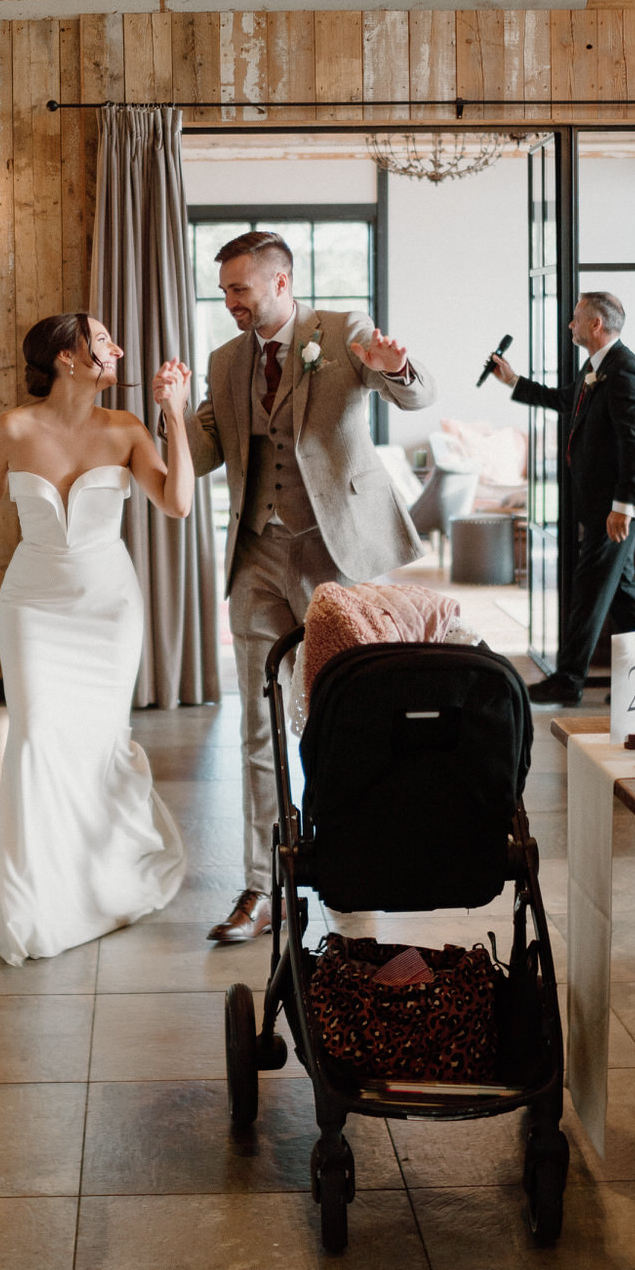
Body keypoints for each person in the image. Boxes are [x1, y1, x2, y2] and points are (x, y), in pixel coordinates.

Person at [161, 229, 437, 945]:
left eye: (239, 290)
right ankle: (264, 887)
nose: (229, 303)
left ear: (280, 283)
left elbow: (415, 395)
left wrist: (399, 369)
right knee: (257, 725)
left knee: (337, 719)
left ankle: (348, 875)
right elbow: (197, 457)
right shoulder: (225, 362)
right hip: (257, 554)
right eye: (223, 290)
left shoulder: (342, 330)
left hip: (333, 551)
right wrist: (171, 408)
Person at [0, 312, 191, 966]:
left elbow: (177, 503)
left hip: (107, 607)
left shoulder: (127, 428)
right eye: (103, 338)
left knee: (97, 742)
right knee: (34, 739)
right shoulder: (13, 428)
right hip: (32, 602)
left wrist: (173, 414)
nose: (116, 346)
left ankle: (100, 878)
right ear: (66, 355)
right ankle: (37, 902)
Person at [490, 290, 635, 707]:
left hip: (615, 507)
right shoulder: (596, 366)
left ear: (596, 325)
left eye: (576, 319)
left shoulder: (625, 372)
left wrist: (623, 507)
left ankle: (568, 680)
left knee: (588, 587)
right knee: (622, 592)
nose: (570, 325)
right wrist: (513, 381)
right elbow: (566, 401)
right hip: (602, 503)